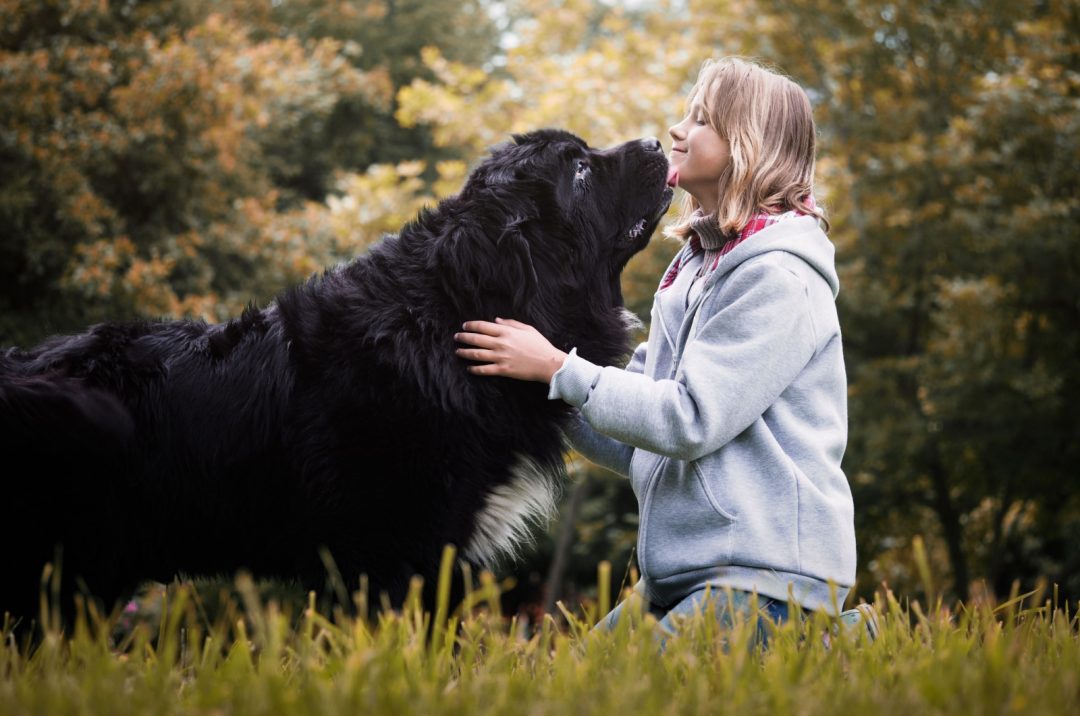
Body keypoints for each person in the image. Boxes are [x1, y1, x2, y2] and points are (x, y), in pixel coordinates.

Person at [454, 56, 874, 644]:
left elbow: (688, 419)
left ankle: (831, 642)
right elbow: (635, 437)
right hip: (680, 577)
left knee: (621, 690)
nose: (678, 129)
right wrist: (535, 384)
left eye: (701, 119)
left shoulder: (778, 278)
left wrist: (556, 368)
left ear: (748, 145)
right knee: (563, 683)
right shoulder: (696, 267)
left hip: (763, 579)